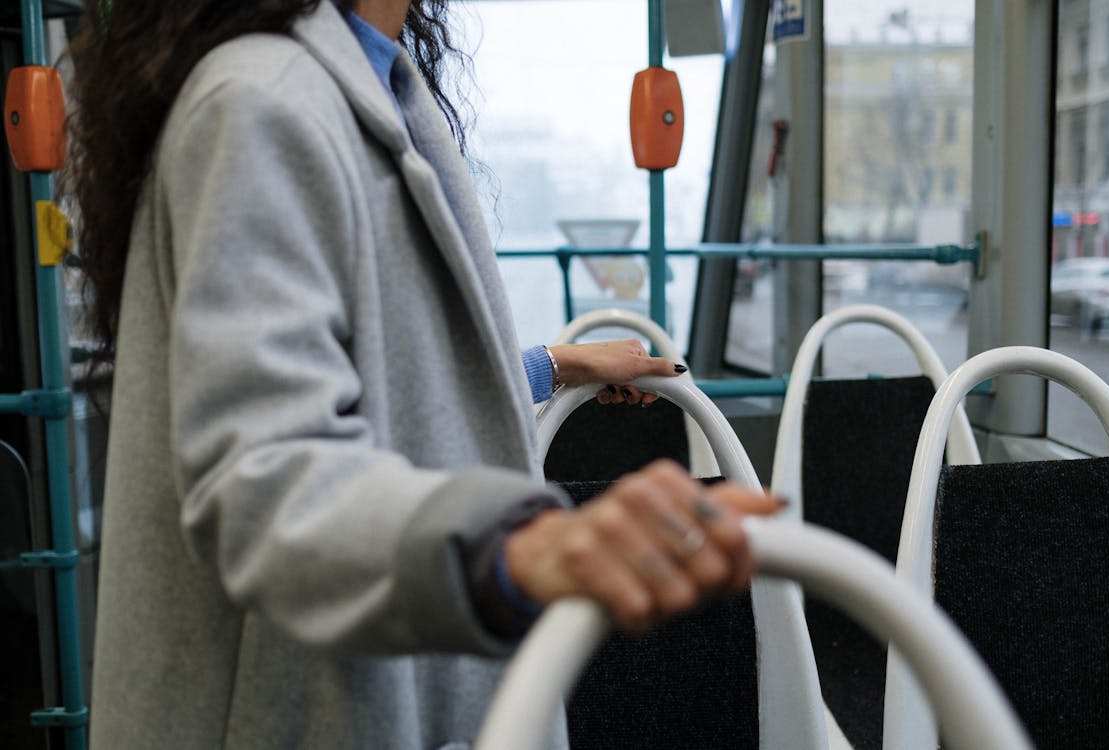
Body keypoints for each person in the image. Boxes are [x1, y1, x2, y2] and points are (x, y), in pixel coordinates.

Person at [66, 1, 778, 748]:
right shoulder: (260, 105)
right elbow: (266, 480)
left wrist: (552, 367)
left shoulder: (371, 84)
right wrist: (519, 545)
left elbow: (374, 371)